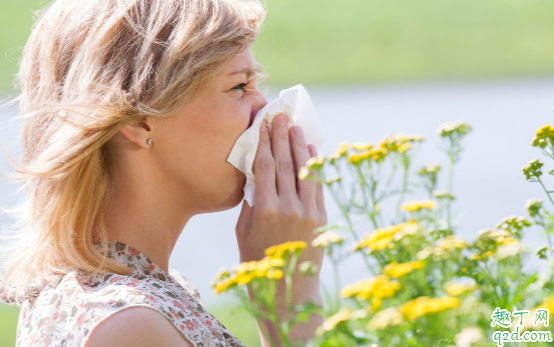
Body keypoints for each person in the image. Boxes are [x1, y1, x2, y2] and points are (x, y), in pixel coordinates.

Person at [0, 0, 327, 346]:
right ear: (139, 121)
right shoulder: (128, 324)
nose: (264, 107)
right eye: (238, 87)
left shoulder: (138, 296)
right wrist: (289, 294)